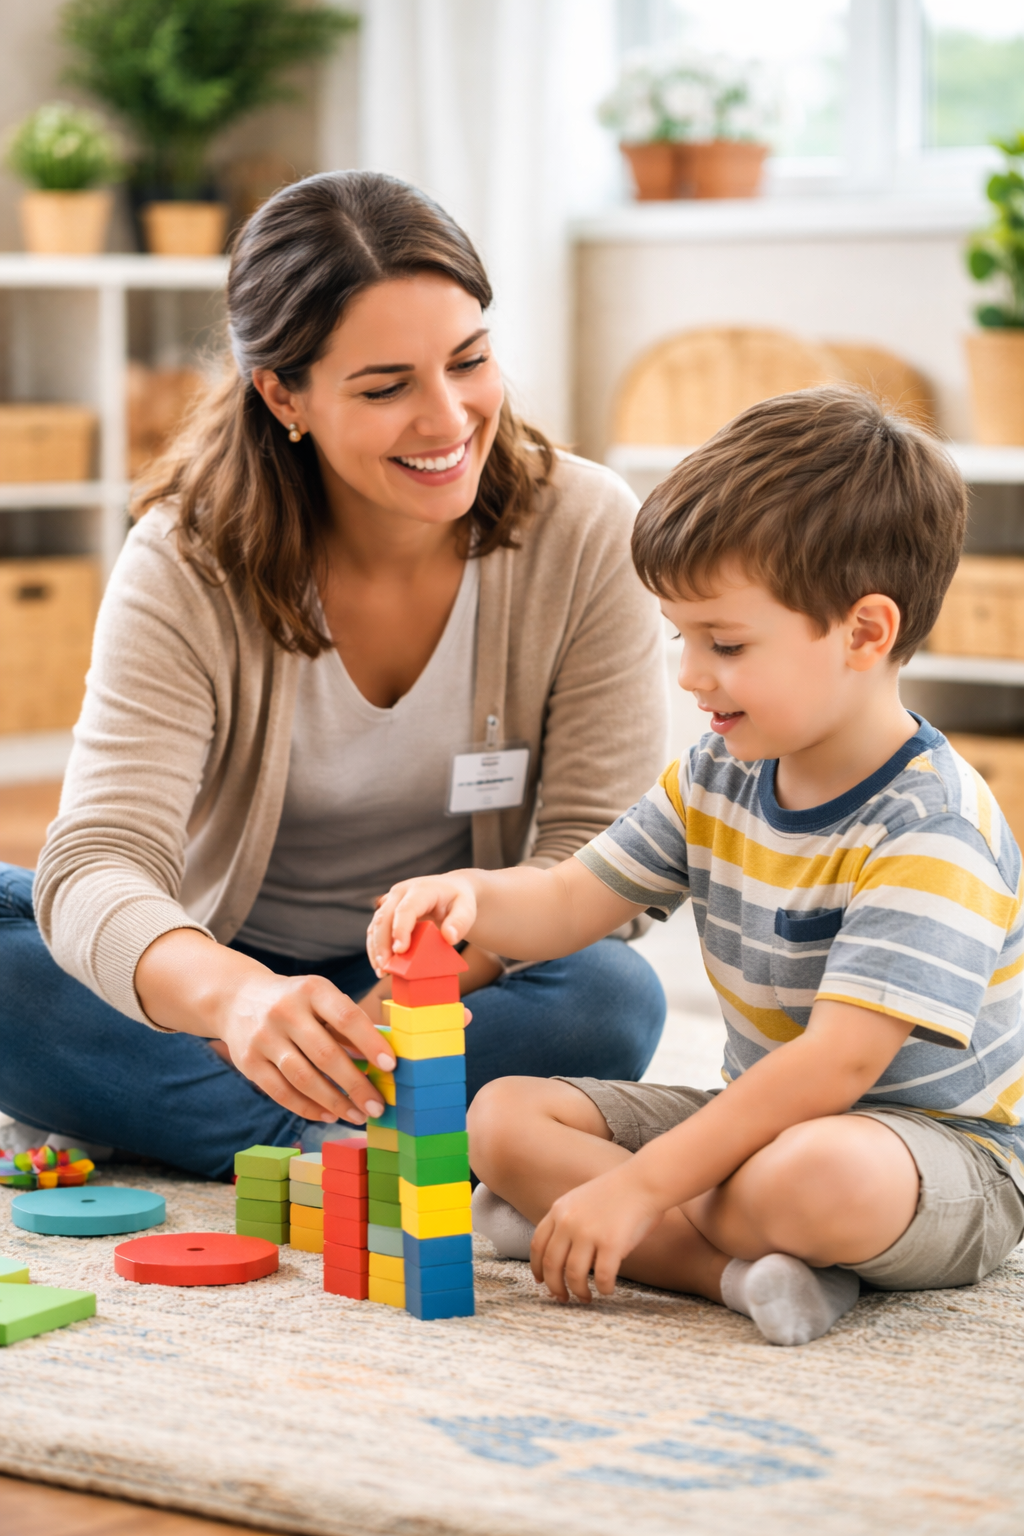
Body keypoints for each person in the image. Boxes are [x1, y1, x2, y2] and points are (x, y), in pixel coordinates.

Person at [0, 171, 667, 1179]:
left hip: (444, 989)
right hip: (219, 966)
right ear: (283, 395)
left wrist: (410, 997)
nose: (447, 420)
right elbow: (98, 859)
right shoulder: (185, 559)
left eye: (469, 361)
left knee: (610, 998)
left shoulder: (586, 528)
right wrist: (234, 999)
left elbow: (600, 860)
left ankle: (221, 1124)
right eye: (386, 386)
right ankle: (366, 1140)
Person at [367, 388, 1024, 1347]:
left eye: (725, 643)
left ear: (864, 633)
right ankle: (730, 1276)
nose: (688, 673)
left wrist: (636, 1187)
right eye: (681, 636)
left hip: (932, 1161)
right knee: (500, 1121)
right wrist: (471, 898)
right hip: (751, 1127)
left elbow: (836, 1068)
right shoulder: (718, 773)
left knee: (814, 1177)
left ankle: (604, 1224)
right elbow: (566, 899)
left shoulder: (932, 824)